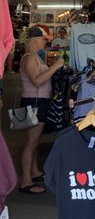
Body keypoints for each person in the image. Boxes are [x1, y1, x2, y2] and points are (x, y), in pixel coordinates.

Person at [19, 26, 64, 194]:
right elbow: (37, 81)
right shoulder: (30, 58)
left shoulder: (34, 57)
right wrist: (55, 66)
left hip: (36, 101)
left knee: (34, 141)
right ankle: (26, 182)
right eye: (43, 39)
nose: (45, 42)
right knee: (31, 143)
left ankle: (34, 172)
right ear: (36, 40)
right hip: (34, 102)